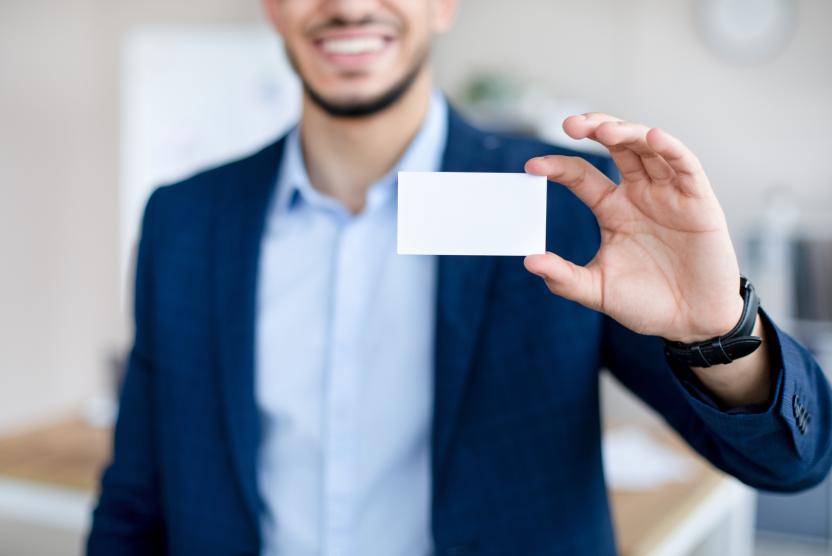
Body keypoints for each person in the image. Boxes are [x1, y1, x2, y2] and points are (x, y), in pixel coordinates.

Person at [87, 0, 832, 554]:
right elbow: (136, 497)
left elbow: (789, 464)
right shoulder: (184, 219)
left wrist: (719, 333)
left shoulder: (567, 201)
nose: (347, 6)